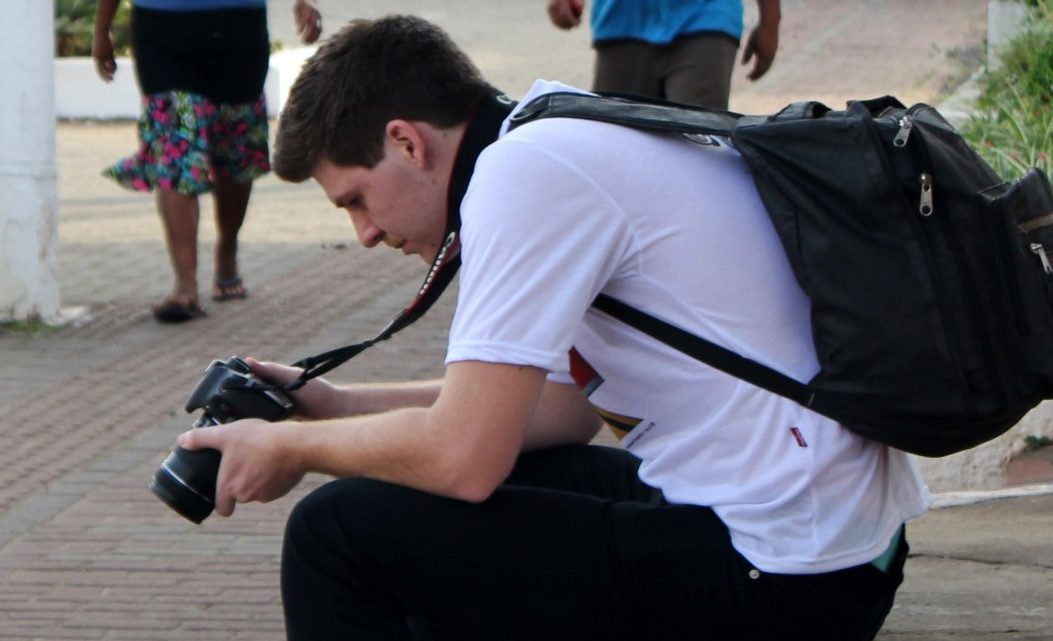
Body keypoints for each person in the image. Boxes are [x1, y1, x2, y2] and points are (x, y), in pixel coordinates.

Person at [177, 15, 931, 641]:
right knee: (438, 511)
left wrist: (291, 446)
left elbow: (461, 455)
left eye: (355, 199)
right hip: (840, 548)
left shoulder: (522, 176)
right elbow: (563, 408)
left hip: (782, 580)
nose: (365, 232)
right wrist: (338, 407)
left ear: (407, 142)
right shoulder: (559, 124)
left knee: (337, 537)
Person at [91, 0, 323, 323]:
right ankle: (185, 287)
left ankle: (226, 250)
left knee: (235, 156)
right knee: (175, 153)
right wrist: (102, 30)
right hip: (161, 30)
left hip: (238, 27)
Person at [547, 0, 781, 110]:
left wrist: (770, 21)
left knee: (697, 147)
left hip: (706, 16)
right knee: (616, 146)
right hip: (622, 21)